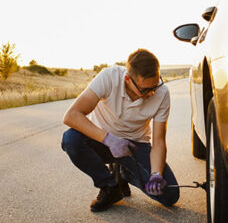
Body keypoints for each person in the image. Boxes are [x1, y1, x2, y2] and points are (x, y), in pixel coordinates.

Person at [61, 49, 179, 212]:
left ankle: (125, 173)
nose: (152, 93)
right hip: (102, 141)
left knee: (170, 195)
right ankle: (110, 187)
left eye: (155, 85)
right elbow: (71, 116)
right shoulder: (109, 77)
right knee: (71, 140)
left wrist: (156, 174)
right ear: (128, 80)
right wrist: (109, 139)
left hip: (135, 146)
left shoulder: (162, 93)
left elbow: (159, 141)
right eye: (145, 90)